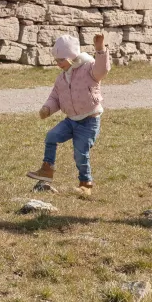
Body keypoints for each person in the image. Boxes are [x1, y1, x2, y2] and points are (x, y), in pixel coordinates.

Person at [27, 33, 109, 196]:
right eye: (56, 60)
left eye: (61, 60)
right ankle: (47, 169)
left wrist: (100, 50)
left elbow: (103, 69)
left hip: (89, 121)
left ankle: (85, 184)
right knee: (51, 136)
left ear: (72, 56)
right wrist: (47, 108)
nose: (58, 64)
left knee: (80, 153)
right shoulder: (62, 78)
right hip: (71, 120)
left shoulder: (89, 69)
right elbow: (56, 97)